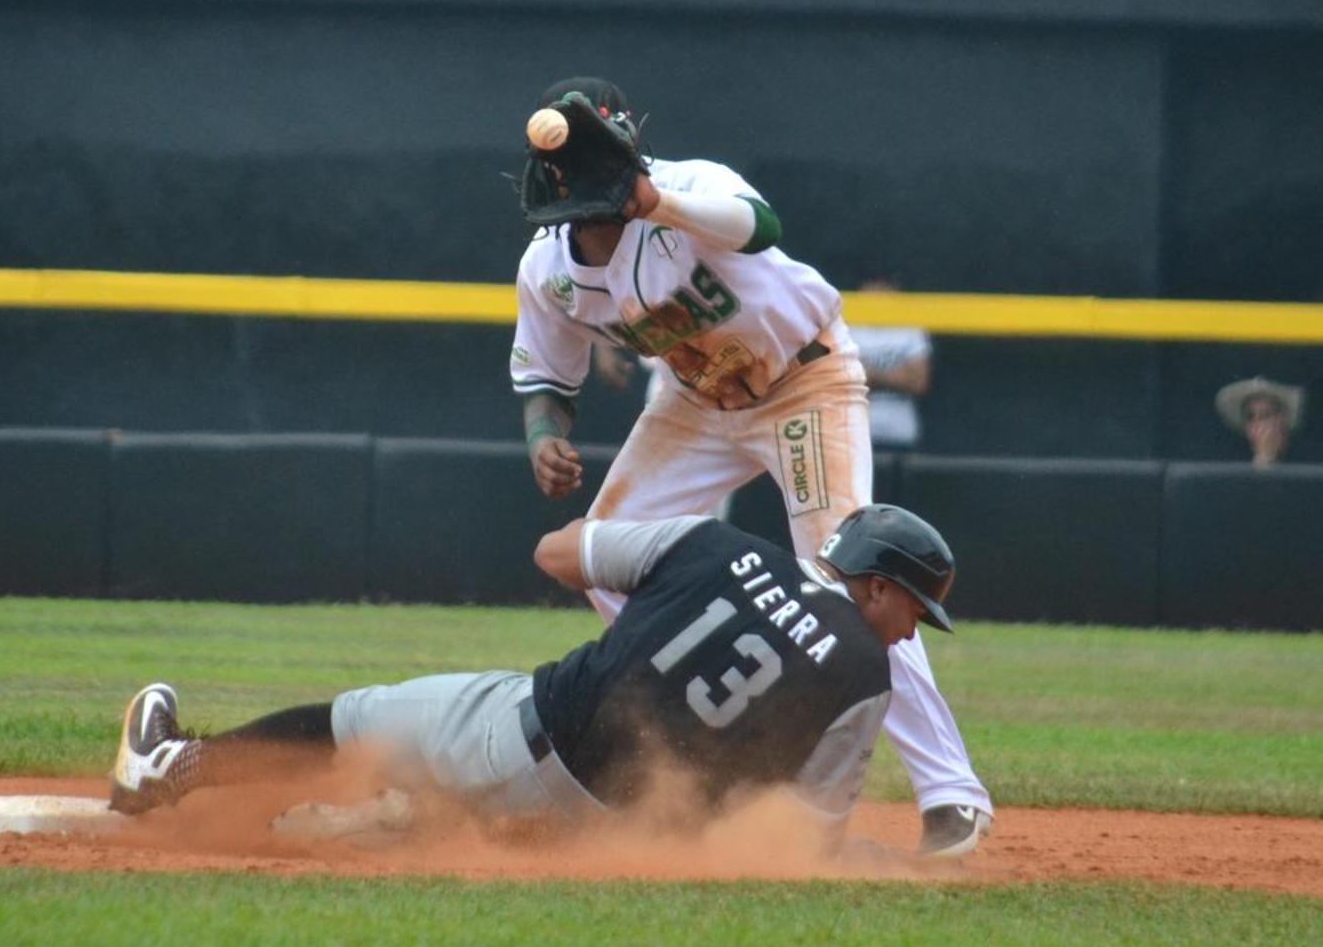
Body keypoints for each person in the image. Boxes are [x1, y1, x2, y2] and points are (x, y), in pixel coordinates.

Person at [509, 75, 991, 858]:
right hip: (694, 402)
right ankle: (690, 744)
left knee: (854, 582)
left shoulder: (688, 185)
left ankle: (951, 794)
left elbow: (759, 224)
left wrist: (656, 201)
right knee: (605, 554)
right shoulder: (546, 270)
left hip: (802, 381)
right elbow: (546, 379)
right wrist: (542, 436)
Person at [109, 504, 978, 858]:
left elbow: (557, 553)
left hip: (525, 736)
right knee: (477, 811)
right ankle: (389, 822)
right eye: (915, 608)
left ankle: (169, 768)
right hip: (620, 835)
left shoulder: (717, 543)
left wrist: (657, 603)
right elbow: (809, 834)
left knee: (358, 719)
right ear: (875, 585)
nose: (912, 630)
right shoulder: (865, 672)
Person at [848, 278, 932, 451]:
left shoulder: (909, 328)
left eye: (884, 287)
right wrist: (897, 374)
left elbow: (918, 382)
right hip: (856, 433)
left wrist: (873, 375)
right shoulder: (847, 328)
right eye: (873, 286)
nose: (878, 293)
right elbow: (843, 381)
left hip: (900, 433)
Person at [1214, 376, 1305, 467]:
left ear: (1280, 420)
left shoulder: (1303, 458)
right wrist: (1263, 456)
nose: (1257, 423)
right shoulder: (1233, 458)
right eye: (1250, 417)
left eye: (1265, 415)